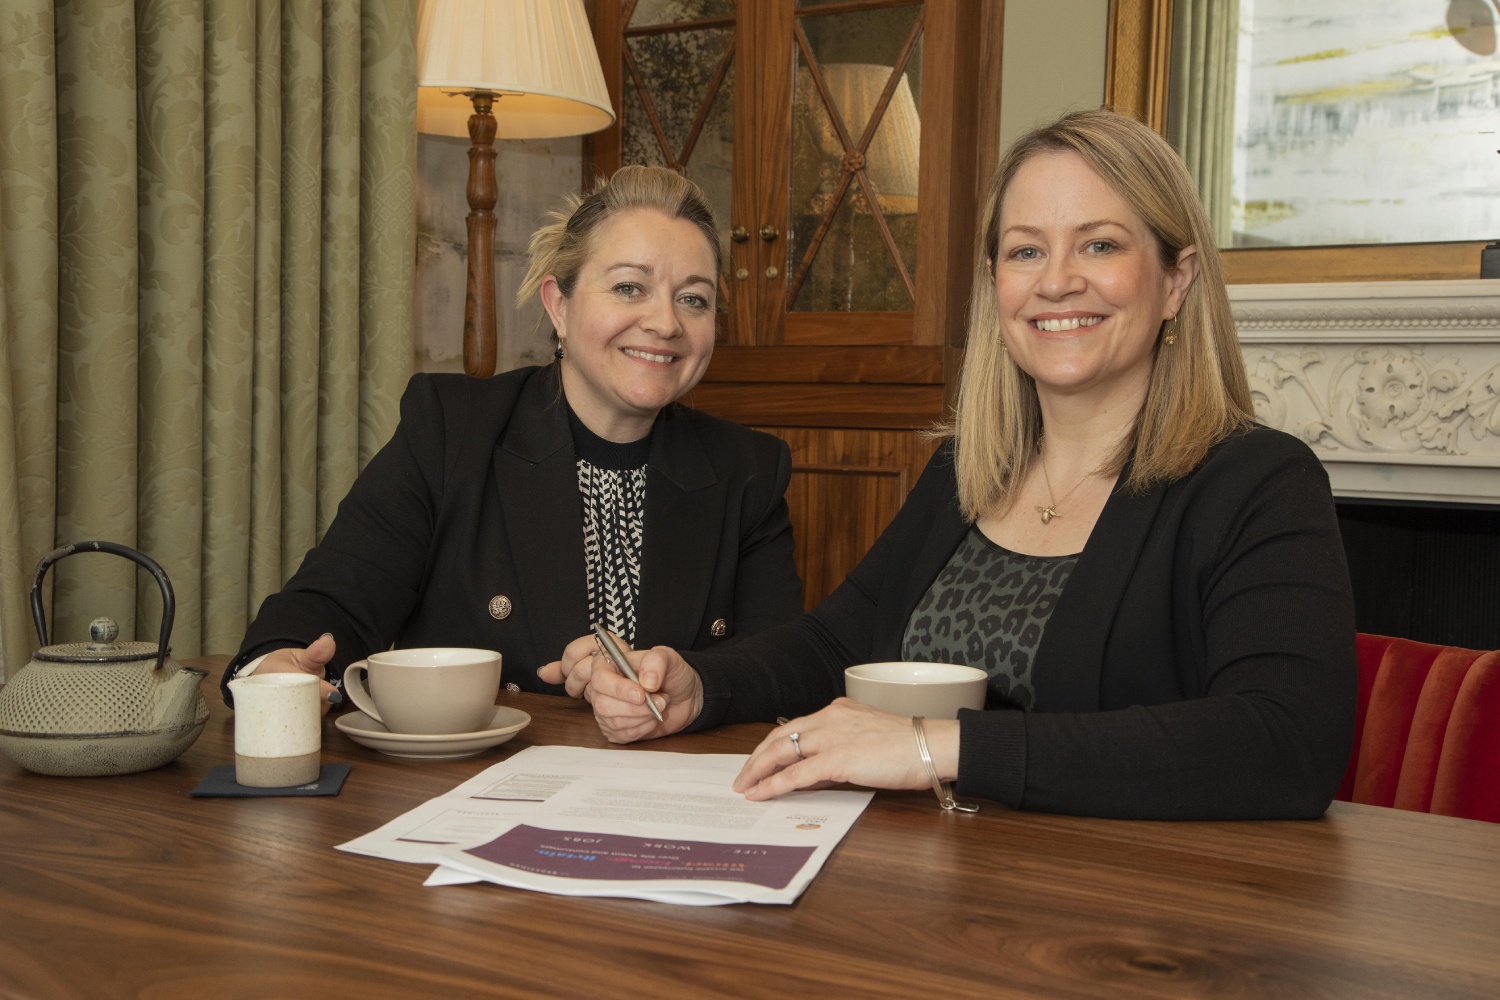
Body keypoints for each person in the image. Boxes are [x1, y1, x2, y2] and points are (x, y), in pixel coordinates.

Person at [543, 109, 1358, 821]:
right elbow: (835, 646)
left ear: (1176, 280)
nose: (1057, 282)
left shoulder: (1260, 483)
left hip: (1138, 924)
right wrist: (699, 685)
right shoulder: (968, 471)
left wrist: (938, 747)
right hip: (945, 888)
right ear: (996, 282)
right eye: (1025, 251)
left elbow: (1287, 745)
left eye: (1100, 244)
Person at [222, 165, 803, 710]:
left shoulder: (748, 468)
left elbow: (781, 668)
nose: (666, 322)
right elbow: (334, 600)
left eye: (694, 298)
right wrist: (278, 662)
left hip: (671, 803)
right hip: (469, 792)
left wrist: (687, 683)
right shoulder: (452, 429)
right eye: (630, 287)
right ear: (559, 305)